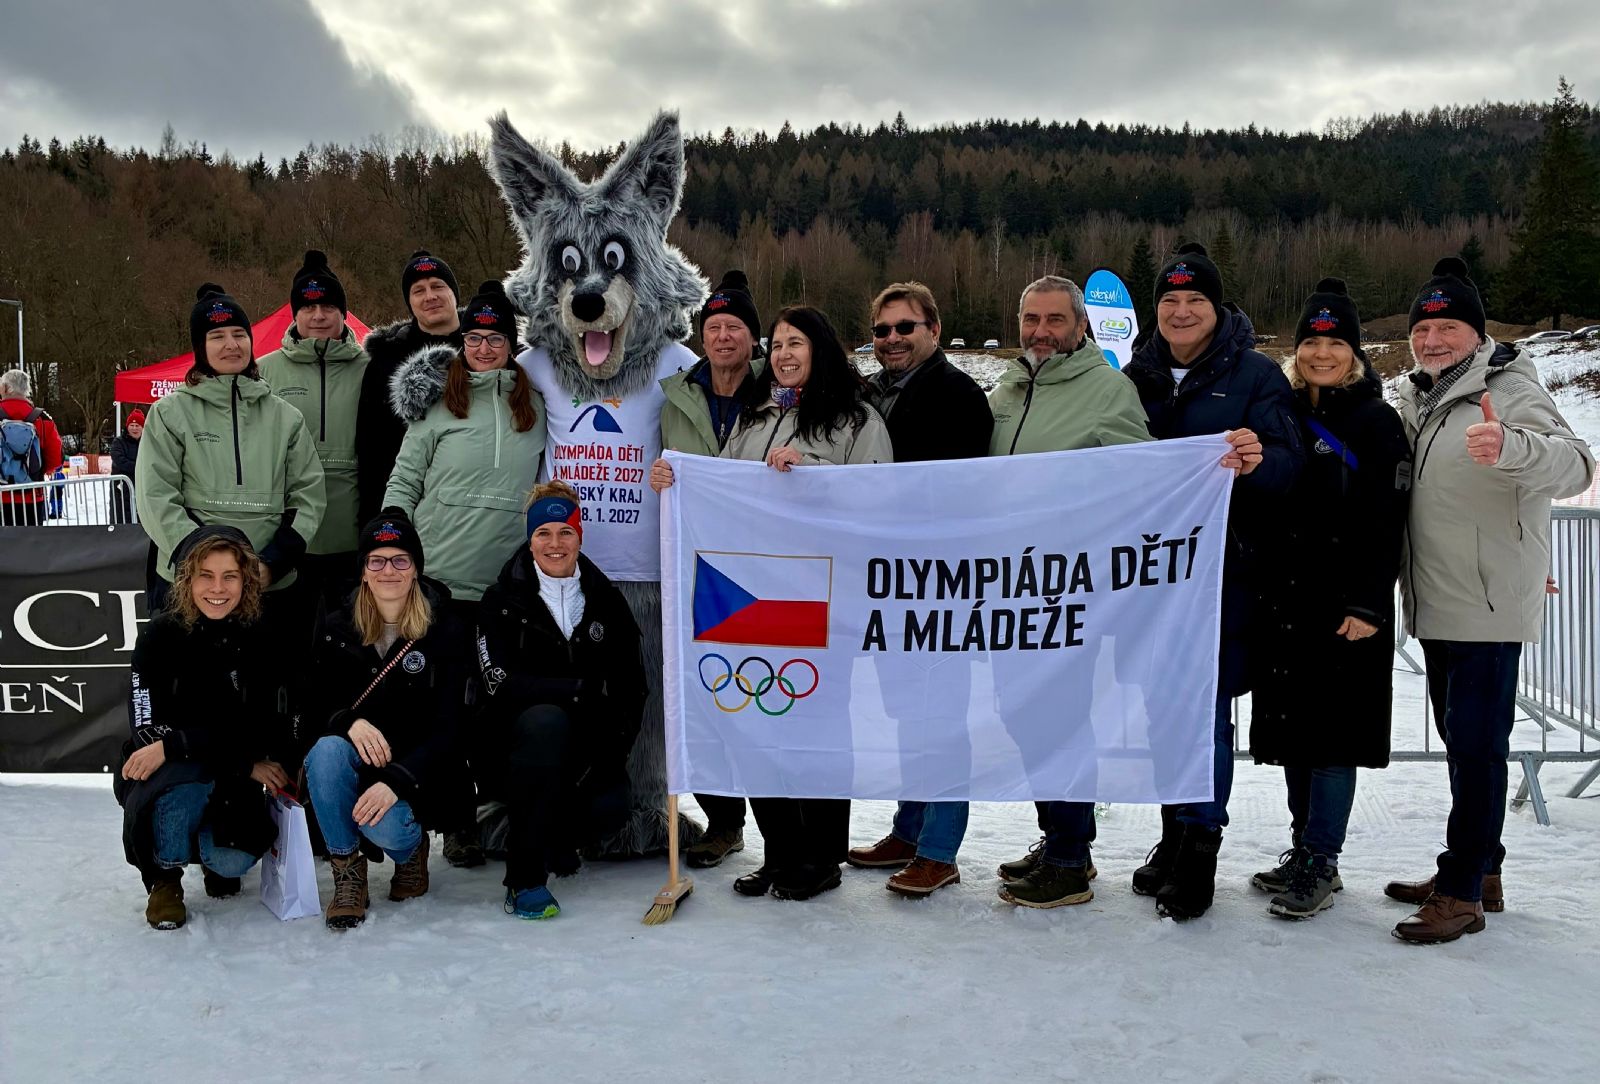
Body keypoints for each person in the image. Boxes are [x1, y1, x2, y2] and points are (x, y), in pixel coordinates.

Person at [651, 304, 892, 901]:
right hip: (754, 597)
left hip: (820, 598)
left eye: (796, 343)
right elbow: (722, 488)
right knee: (758, 721)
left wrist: (812, 472)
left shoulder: (855, 419)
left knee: (818, 727)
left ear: (821, 350)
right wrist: (679, 481)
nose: (783, 354)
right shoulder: (755, 415)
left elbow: (878, 501)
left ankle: (821, 855)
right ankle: (780, 851)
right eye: (777, 344)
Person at [1385, 258, 1594, 944]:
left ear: (1476, 334)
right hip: (1436, 595)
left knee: (1476, 746)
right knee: (1462, 741)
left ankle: (1461, 891)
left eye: (1448, 327)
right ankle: (1482, 869)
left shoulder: (1507, 386)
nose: (1432, 339)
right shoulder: (1418, 395)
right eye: (1423, 329)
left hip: (1485, 600)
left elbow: (1577, 464)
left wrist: (1512, 446)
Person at [1121, 243, 1303, 920]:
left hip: (1223, 576)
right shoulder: (1135, 376)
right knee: (1161, 711)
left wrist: (1258, 462)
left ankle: (1201, 842)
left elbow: (1290, 465)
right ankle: (1172, 832)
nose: (1181, 311)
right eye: (1169, 300)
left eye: (1195, 299)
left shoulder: (1255, 375)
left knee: (1204, 713)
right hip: (1149, 578)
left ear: (1217, 308)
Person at [979, 276, 1153, 909]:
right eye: (1032, 319)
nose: (1041, 331)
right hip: (1009, 587)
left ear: (1081, 327)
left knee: (1062, 720)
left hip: (1067, 589)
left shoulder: (1108, 389)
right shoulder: (1009, 388)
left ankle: (1070, 857)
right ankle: (1058, 835)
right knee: (1022, 714)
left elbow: (1142, 479)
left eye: (1056, 320)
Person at [1248, 278, 1412, 920]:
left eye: (1336, 343)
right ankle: (1303, 848)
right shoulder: (1283, 412)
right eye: (1312, 342)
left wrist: (1370, 603)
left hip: (1346, 606)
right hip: (1288, 602)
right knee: (1297, 735)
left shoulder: (1375, 421)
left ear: (1356, 352)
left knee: (1333, 741)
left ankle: (1323, 858)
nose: (1322, 353)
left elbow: (1388, 518)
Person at [383, 279, 545, 868]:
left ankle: (493, 812)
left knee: (494, 708)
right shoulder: (440, 402)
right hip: (441, 582)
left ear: (510, 343)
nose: (482, 348)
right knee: (444, 706)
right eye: (474, 338)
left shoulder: (534, 405)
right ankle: (455, 824)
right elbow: (403, 482)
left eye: (494, 338)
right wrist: (392, 550)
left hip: (503, 586)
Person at [844, 281, 994, 897]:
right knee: (910, 711)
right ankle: (909, 828)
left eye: (905, 327)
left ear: (933, 328)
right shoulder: (872, 394)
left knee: (942, 716)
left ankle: (939, 848)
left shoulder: (957, 394)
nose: (893, 339)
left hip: (940, 582)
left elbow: (958, 494)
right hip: (891, 582)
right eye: (882, 330)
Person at [475, 481, 647, 919]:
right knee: (545, 722)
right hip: (516, 747)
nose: (555, 544)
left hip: (586, 749)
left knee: (612, 808)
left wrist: (615, 748)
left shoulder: (606, 600)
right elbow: (498, 681)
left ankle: (556, 836)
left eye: (565, 532)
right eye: (543, 533)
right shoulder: (501, 600)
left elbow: (632, 685)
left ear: (580, 536)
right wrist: (574, 690)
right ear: (530, 539)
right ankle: (525, 880)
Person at [113, 526, 289, 929]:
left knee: (230, 861)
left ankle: (212, 854)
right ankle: (165, 877)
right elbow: (145, 726)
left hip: (234, 768)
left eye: (230, 576)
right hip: (178, 772)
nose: (218, 588)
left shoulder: (262, 636)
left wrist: (187, 745)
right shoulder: (159, 634)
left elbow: (258, 727)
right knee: (184, 780)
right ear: (186, 580)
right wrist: (176, 748)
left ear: (246, 581)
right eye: (205, 575)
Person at [302, 512, 470, 930]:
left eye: (400, 559)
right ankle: (347, 873)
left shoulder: (445, 628)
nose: (388, 570)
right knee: (326, 750)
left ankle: (411, 852)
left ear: (416, 569)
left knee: (384, 827)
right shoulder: (336, 626)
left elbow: (452, 726)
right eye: (376, 560)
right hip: (359, 764)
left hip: (418, 773)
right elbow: (312, 705)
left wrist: (398, 780)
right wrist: (347, 721)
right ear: (363, 571)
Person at [654, 269, 766, 870]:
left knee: (762, 692)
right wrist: (660, 475)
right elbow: (663, 463)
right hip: (697, 565)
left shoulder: (778, 390)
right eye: (714, 327)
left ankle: (782, 826)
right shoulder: (678, 395)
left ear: (753, 337)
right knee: (707, 690)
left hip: (764, 563)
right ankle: (724, 822)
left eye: (734, 327)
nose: (723, 337)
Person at [135, 285, 326, 618]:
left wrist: (273, 562)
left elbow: (308, 496)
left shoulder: (286, 417)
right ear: (200, 347)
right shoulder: (169, 413)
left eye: (239, 334)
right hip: (192, 582)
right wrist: (205, 564)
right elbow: (155, 496)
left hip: (269, 583)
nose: (231, 345)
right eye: (217, 336)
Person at [258, 250, 371, 607]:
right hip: (288, 538)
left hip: (354, 539)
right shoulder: (263, 371)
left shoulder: (371, 368)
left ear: (343, 313)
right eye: (308, 307)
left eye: (328, 306)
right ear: (295, 314)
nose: (318, 315)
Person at [358, 250, 463, 526]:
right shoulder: (386, 361)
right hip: (403, 507)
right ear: (410, 302)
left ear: (454, 293)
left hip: (468, 504)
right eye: (419, 291)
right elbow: (370, 451)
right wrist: (373, 523)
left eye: (438, 286)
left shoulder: (484, 349)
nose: (430, 296)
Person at [0, 368, 62, 526]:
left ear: (5, 388)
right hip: (32, 494)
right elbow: (55, 459)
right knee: (31, 540)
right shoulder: (42, 419)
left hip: (1, 495)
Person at [109, 408, 143, 523]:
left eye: (137, 425)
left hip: (141, 484)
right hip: (122, 485)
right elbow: (118, 459)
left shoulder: (147, 442)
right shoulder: (119, 442)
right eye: (132, 425)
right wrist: (139, 468)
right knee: (121, 515)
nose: (134, 428)